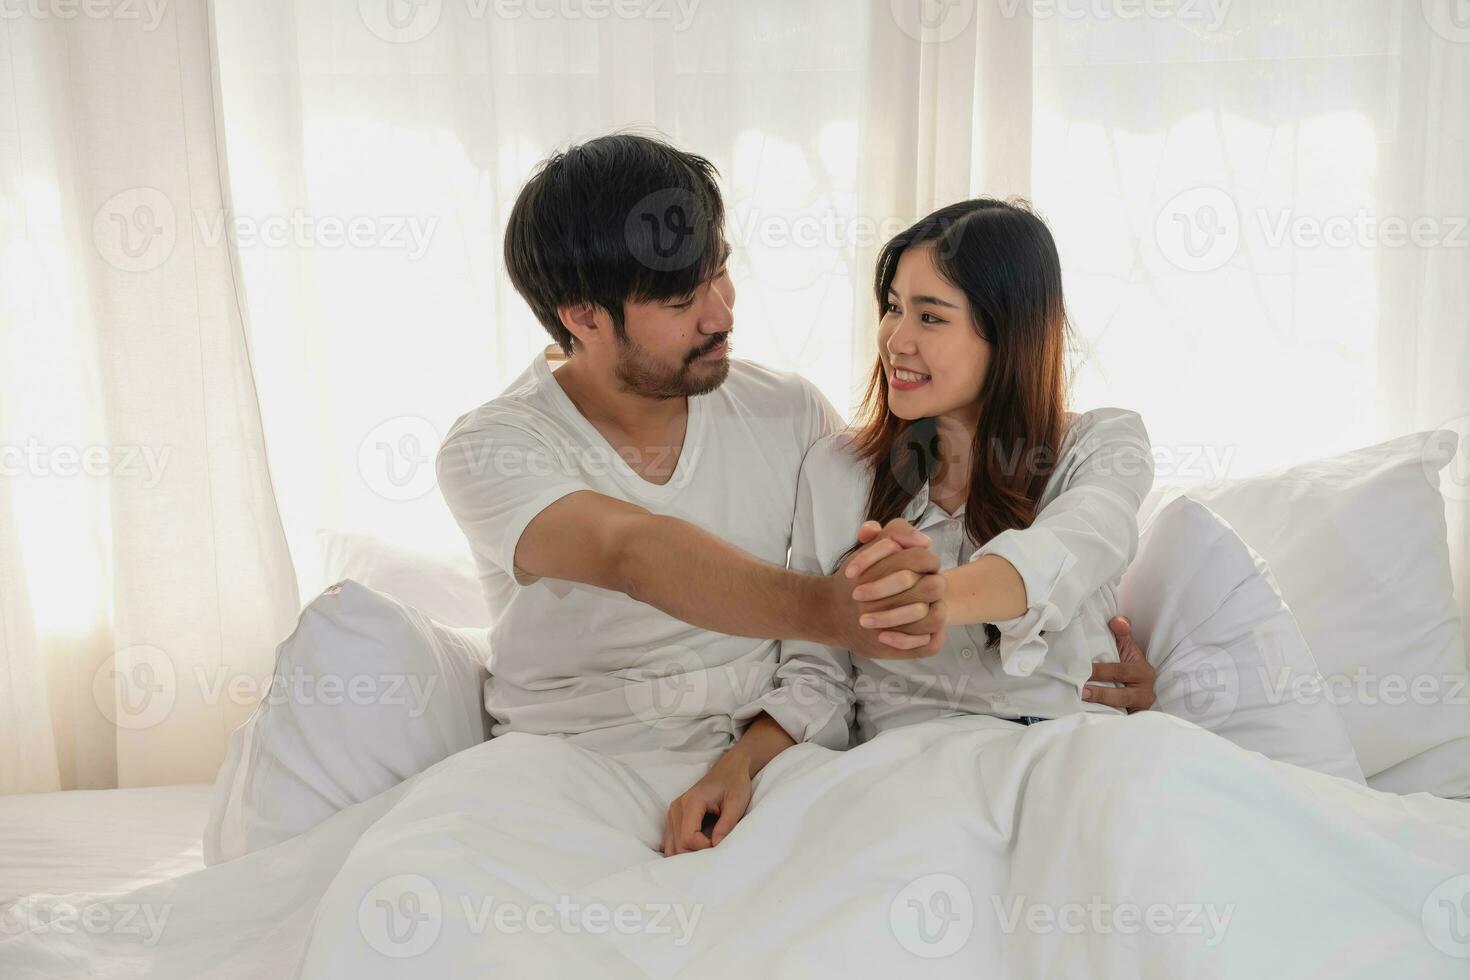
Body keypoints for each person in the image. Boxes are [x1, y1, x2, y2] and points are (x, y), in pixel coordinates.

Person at [664, 198, 1154, 854]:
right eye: (893, 307)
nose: (897, 338)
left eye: (930, 316)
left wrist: (932, 597)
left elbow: (1069, 547)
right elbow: (820, 674)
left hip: (1062, 758)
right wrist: (738, 765)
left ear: (1009, 332)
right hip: (904, 778)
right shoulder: (839, 472)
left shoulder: (1100, 445)